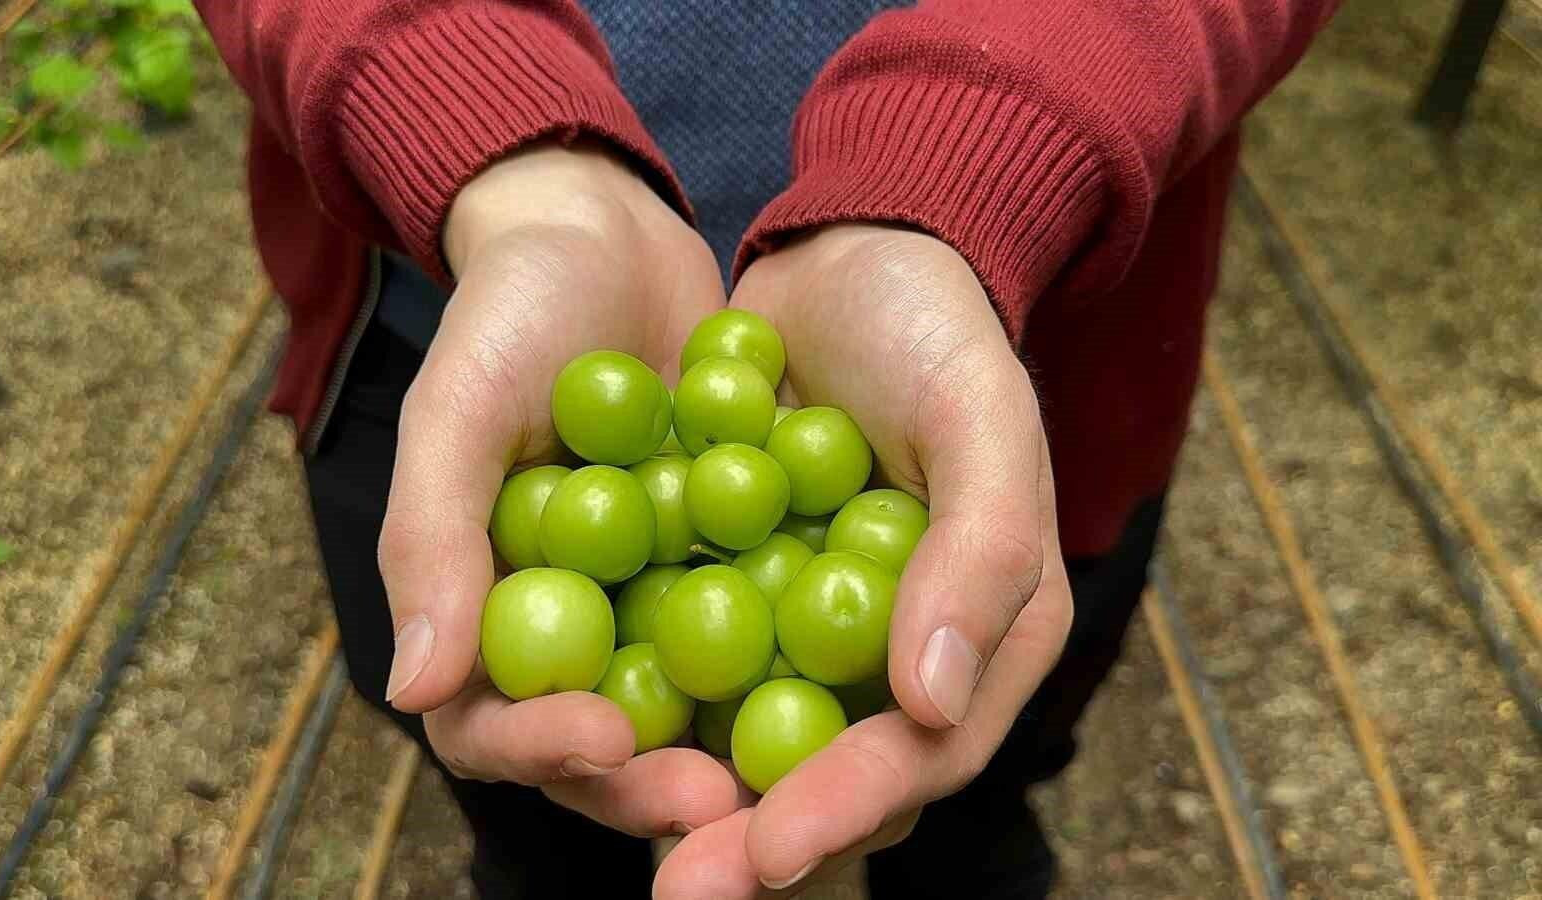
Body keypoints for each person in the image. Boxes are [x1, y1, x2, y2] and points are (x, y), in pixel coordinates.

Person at [199, 2, 1338, 897]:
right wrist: (466, 105)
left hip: (1017, 367)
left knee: (980, 772)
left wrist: (979, 153)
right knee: (530, 810)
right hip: (456, 313)